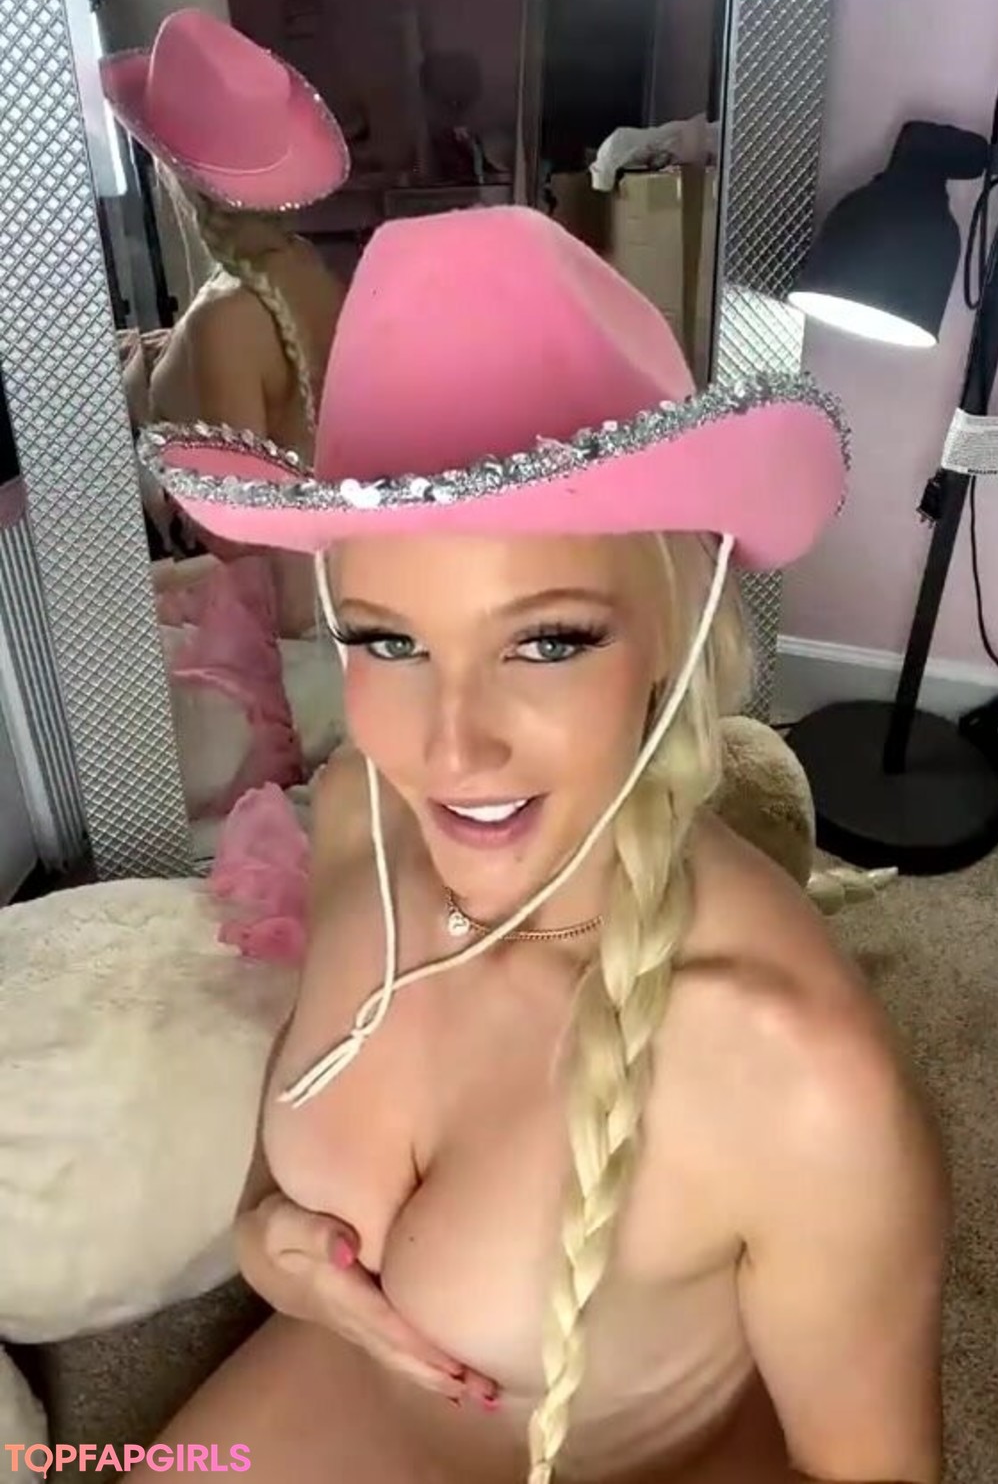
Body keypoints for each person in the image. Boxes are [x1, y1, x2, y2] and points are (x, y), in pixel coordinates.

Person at [137, 207, 948, 1484]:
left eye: (547, 639)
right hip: (334, 1397)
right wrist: (267, 1241)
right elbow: (299, 1102)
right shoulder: (359, 811)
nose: (452, 749)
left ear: (672, 633)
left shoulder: (795, 1076)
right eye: (391, 639)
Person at [102, 7, 351, 630]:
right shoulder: (301, 267)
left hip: (283, 617)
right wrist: (162, 361)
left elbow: (238, 536)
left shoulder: (223, 322)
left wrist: (154, 438)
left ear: (170, 172)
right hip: (327, 585)